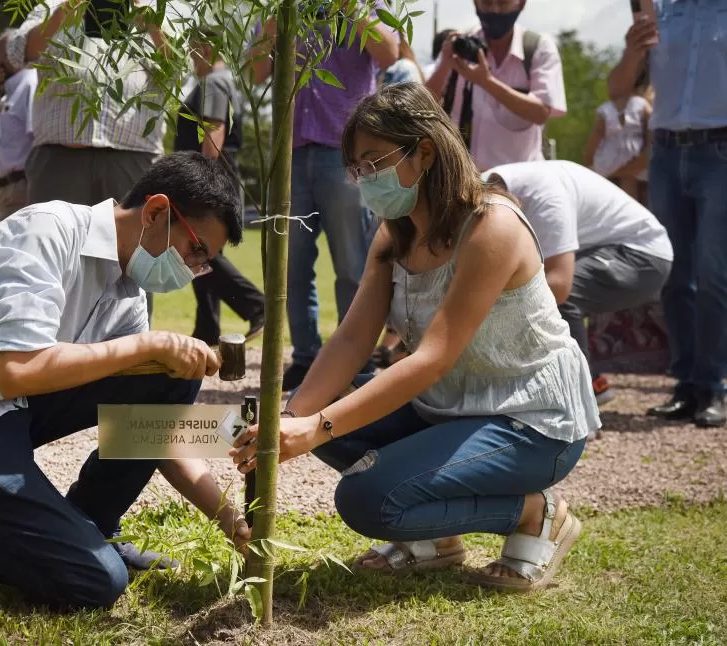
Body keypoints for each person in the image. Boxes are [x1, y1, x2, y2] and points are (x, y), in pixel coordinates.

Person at [0, 152, 252, 606]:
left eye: (203, 261)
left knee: (166, 379)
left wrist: (230, 518)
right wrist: (147, 346)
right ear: (156, 212)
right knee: (96, 581)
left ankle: (91, 526)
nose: (191, 270)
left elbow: (148, 429)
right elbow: (17, 371)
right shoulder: (47, 231)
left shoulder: (128, 288)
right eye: (196, 250)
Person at [231, 83, 598, 592]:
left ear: (424, 151)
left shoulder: (491, 227)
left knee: (366, 498)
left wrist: (317, 429)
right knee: (316, 400)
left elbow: (433, 358)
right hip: (450, 410)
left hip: (531, 422)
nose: (363, 179)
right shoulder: (394, 232)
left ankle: (534, 512)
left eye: (373, 162)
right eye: (356, 168)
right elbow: (353, 338)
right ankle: (436, 541)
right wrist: (289, 423)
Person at [249, 2, 398, 391]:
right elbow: (255, 71)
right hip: (291, 153)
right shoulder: (287, 8)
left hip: (348, 153)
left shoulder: (364, 4)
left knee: (353, 265)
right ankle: (305, 357)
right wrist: (276, 17)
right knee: (292, 266)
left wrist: (351, 7)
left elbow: (389, 52)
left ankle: (356, 362)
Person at [6, 0, 170, 323]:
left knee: (135, 264)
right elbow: (19, 53)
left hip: (132, 159)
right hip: (59, 158)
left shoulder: (159, 6)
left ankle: (131, 361)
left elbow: (179, 69)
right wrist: (68, 9)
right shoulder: (54, 2)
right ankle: (45, 355)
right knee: (48, 261)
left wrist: (148, 18)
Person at [608, 3, 727, 428]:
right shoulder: (659, 11)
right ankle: (685, 384)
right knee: (674, 273)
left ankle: (712, 385)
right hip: (666, 153)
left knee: (715, 274)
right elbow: (617, 90)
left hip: (720, 152)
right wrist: (632, 52)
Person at [484, 160, 673, 408]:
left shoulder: (544, 197)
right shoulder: (485, 187)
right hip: (604, 247)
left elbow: (560, 285)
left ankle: (578, 406)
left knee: (554, 294)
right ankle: (593, 384)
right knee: (528, 290)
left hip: (644, 257)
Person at [176, 28, 265, 346]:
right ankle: (207, 328)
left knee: (200, 250)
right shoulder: (227, 81)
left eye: (191, 50)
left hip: (210, 173)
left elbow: (213, 132)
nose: (190, 59)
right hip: (222, 174)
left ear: (205, 48)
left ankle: (257, 305)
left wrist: (199, 179)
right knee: (200, 252)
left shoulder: (213, 82)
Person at [425, 0, 566, 171]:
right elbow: (425, 103)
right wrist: (445, 64)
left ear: (521, 4)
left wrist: (486, 82)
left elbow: (541, 112)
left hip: (520, 184)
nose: (494, 10)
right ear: (475, 3)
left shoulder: (538, 48)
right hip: (466, 182)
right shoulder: (462, 46)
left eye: (502, 3)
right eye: (487, 2)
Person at [585, 68, 652, 205]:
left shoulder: (606, 109)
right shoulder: (642, 104)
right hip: (632, 157)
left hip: (608, 160)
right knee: (630, 186)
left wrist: (590, 163)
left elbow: (594, 141)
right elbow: (652, 134)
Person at [0, 29, 36, 220]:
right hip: (8, 190)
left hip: (22, 189)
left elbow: (37, 141)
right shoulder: (10, 92)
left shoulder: (29, 84)